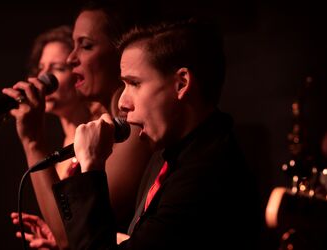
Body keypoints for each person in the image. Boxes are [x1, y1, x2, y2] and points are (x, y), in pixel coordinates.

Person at [51, 18, 262, 249]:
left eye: (134, 83)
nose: (123, 102)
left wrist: (92, 167)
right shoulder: (168, 153)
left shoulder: (207, 174)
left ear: (181, 83)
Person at [4, 4, 154, 246]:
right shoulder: (109, 129)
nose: (72, 58)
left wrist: (33, 141)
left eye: (85, 46)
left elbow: (70, 236)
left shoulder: (133, 131)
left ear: (122, 52)